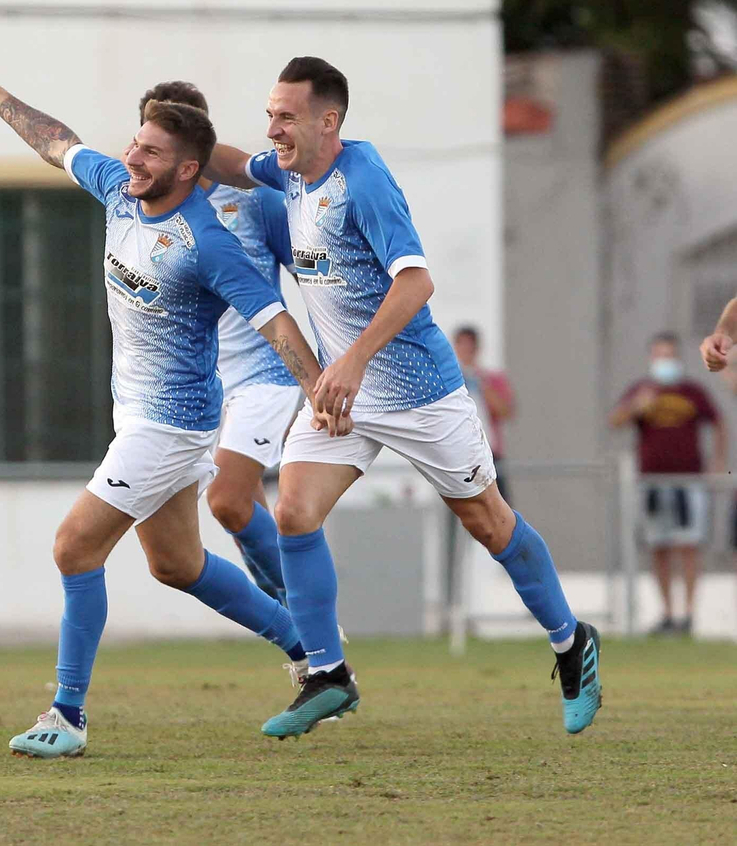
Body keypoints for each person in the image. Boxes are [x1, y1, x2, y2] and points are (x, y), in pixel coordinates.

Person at [0, 45, 346, 759]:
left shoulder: (208, 242)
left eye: (152, 151)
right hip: (141, 418)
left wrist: (319, 389)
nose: (134, 156)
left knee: (73, 546)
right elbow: (57, 142)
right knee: (177, 566)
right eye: (135, 142)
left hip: (170, 429)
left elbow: (275, 318)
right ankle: (310, 649)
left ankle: (67, 715)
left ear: (189, 168)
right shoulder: (120, 191)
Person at [202, 56, 601, 737]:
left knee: (488, 524)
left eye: (285, 115)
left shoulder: (363, 181)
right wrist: (171, 134)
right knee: (293, 511)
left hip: (419, 391)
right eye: (269, 113)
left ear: (328, 122)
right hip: (345, 398)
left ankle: (572, 642)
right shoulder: (290, 175)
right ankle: (328, 674)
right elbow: (236, 164)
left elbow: (417, 282)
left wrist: (352, 361)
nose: (272, 126)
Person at [136, 81, 300, 606]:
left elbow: (315, 278)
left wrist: (334, 365)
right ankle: (304, 639)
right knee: (240, 513)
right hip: (202, 388)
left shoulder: (253, 201)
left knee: (227, 501)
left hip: (264, 376)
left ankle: (311, 622)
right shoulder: (137, 211)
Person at [611, 332, 724, 635]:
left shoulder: (692, 391)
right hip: (652, 481)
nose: (665, 362)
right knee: (658, 546)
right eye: (660, 356)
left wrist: (719, 463)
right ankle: (667, 613)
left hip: (688, 480)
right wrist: (637, 406)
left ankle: (687, 615)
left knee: (688, 545)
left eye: (670, 355)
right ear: (651, 358)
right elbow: (616, 421)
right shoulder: (641, 390)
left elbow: (718, 421)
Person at [454, 325, 516, 501]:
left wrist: (480, 382)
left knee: (501, 505)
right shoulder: (450, 379)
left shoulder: (491, 378)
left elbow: (505, 411)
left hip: (489, 453)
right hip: (458, 453)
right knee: (456, 508)